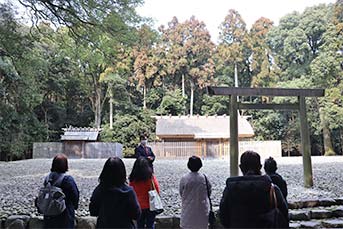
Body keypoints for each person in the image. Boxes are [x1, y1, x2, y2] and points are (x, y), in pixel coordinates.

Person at [219, 151, 289, 228]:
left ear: (241, 167)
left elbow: (223, 216)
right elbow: (284, 215)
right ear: (260, 167)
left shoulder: (230, 189)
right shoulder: (272, 189)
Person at [89, 157, 141, 228]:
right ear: (122, 172)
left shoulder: (100, 190)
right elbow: (136, 214)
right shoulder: (128, 192)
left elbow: (93, 211)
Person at [42, 153, 79, 229]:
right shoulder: (68, 179)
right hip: (64, 214)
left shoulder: (47, 179)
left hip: (49, 213)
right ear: (65, 165)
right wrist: (74, 206)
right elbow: (75, 195)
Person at [179, 156, 212, 229]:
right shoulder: (204, 177)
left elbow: (181, 192)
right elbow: (209, 191)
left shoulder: (184, 178)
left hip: (187, 211)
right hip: (202, 209)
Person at [129, 157, 160, 229]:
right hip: (150, 205)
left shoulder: (133, 178)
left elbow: (131, 191)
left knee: (139, 225)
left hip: (138, 205)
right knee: (150, 225)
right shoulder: (150, 177)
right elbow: (157, 189)